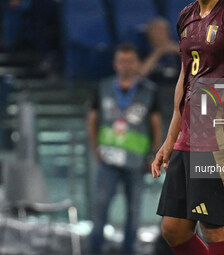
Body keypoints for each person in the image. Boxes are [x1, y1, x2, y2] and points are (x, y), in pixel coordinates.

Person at [151, 0, 224, 255]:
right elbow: (186, 77)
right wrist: (171, 138)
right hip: (188, 135)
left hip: (221, 137)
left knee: (216, 229)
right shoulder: (185, 16)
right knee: (174, 229)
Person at [88, 43, 162, 255]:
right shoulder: (102, 88)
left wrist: (154, 154)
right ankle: (94, 251)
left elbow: (156, 125)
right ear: (115, 64)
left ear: (137, 63)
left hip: (136, 162)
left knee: (134, 211)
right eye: (122, 61)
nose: (126, 65)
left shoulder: (148, 91)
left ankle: (129, 251)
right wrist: (95, 149)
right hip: (108, 160)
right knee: (100, 207)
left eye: (130, 61)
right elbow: (92, 119)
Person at [140, 18, 181, 86]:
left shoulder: (178, 48)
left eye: (164, 31)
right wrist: (159, 52)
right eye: (156, 31)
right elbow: (141, 73)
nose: (160, 35)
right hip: (154, 89)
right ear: (149, 35)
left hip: (178, 87)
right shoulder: (144, 50)